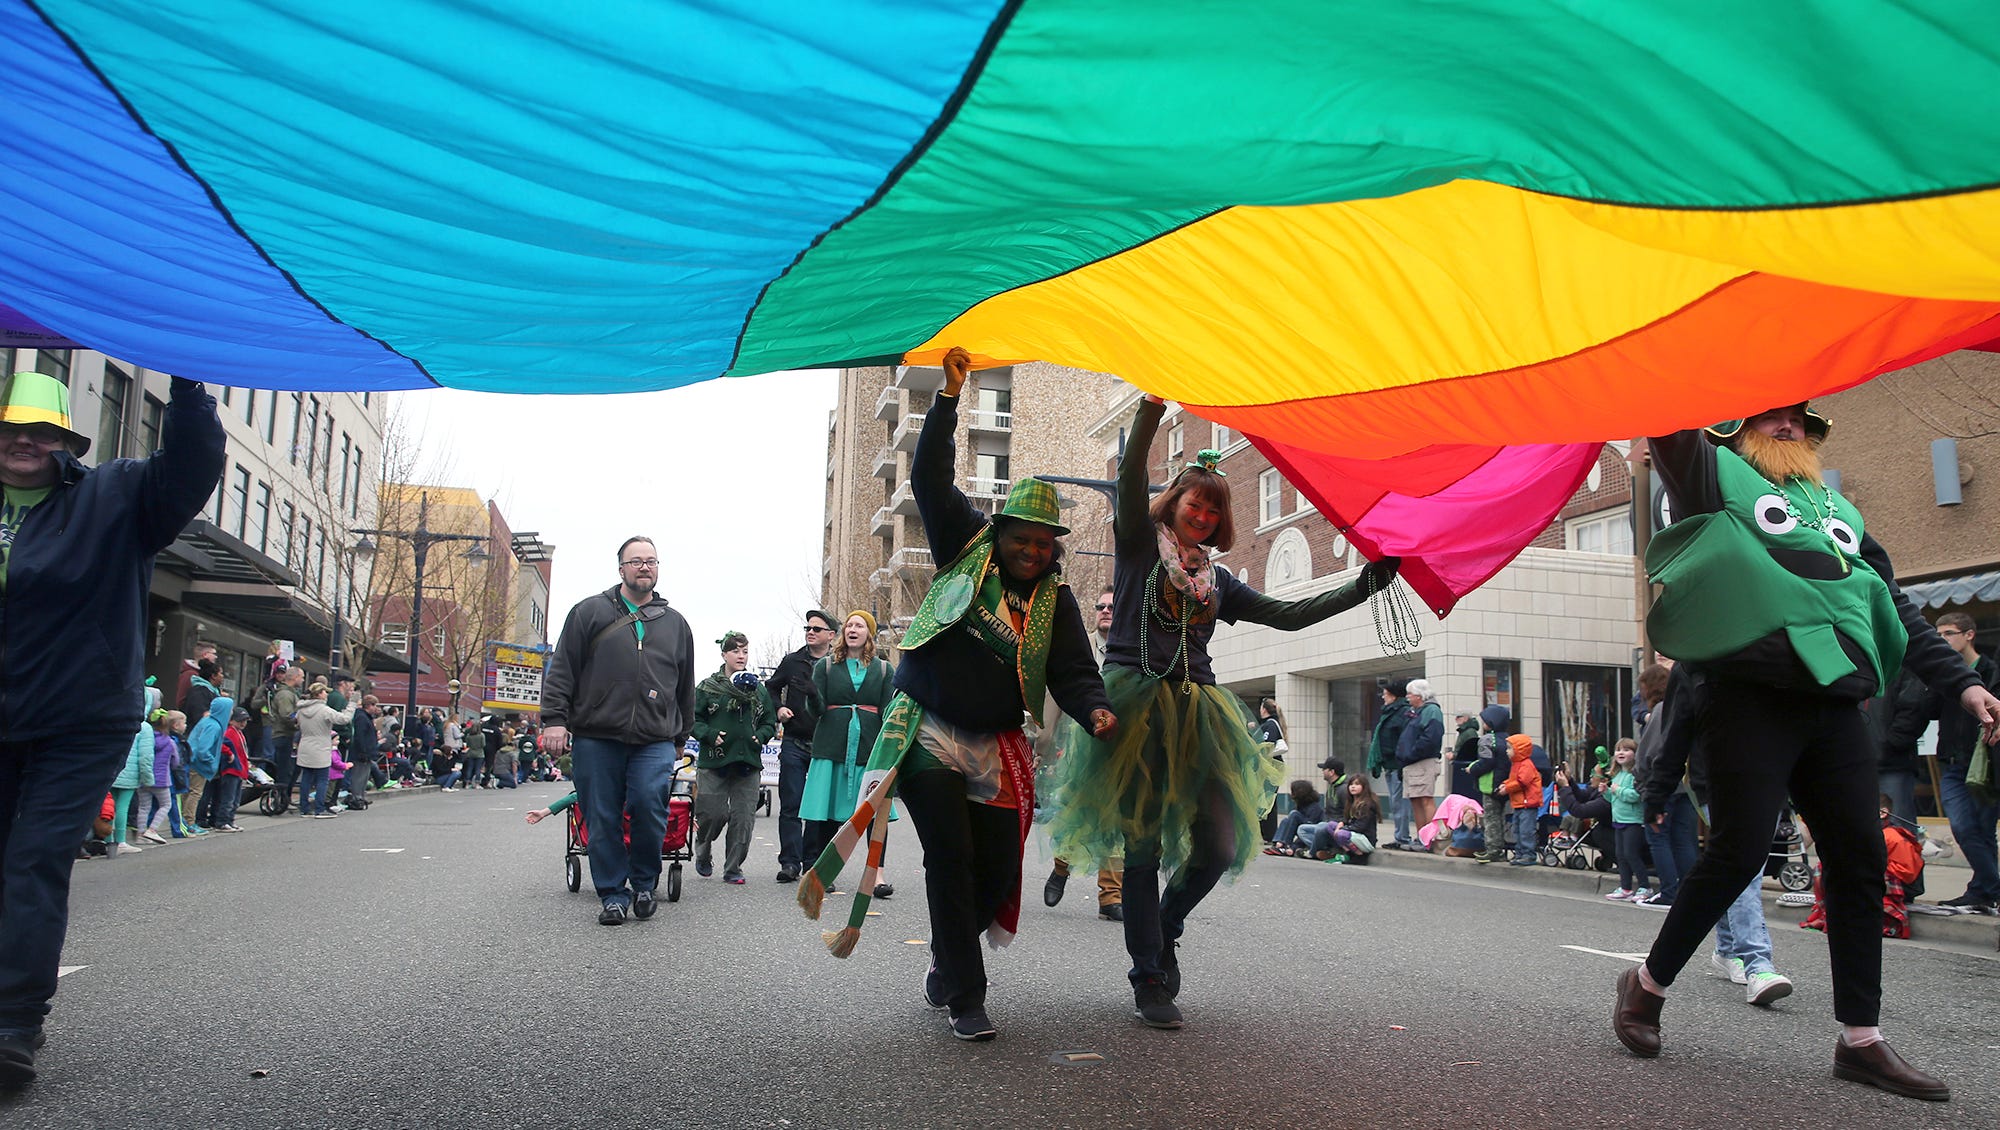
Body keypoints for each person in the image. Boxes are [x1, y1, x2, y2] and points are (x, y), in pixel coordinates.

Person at [1613, 403, 2000, 1102]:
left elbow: (1892, 605)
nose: (1788, 427)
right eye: (1770, 418)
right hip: (1746, 694)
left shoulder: (1837, 511)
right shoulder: (1712, 478)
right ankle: (1646, 986)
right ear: (1736, 428)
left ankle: (1860, 1040)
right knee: (1738, 852)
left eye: (1798, 419)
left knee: (1860, 858)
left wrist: (1965, 684)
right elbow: (1672, 424)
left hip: (1835, 701)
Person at [1051, 389, 1397, 1031]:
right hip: (1135, 709)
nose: (1204, 515)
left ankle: (1170, 920)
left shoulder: (1220, 581)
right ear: (1174, 504)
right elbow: (1128, 475)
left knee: (1220, 840)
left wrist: (1362, 586)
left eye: (1214, 508)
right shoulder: (1135, 545)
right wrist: (1153, 405)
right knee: (1144, 849)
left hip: (1202, 715)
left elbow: (1289, 616)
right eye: (1194, 503)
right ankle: (1148, 975)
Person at [798, 347, 1114, 1044]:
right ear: (1001, 533)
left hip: (999, 740)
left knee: (997, 868)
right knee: (949, 855)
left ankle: (946, 963)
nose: (1032, 551)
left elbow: (1073, 670)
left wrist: (1095, 710)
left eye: (1043, 543)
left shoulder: (1056, 601)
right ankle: (968, 997)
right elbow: (928, 476)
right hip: (929, 729)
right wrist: (947, 400)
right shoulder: (964, 543)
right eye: (1022, 539)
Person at [0, 366, 224, 1087]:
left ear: (66, 441)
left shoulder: (116, 495)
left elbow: (190, 467)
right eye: (10, 430)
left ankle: (12, 1023)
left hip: (78, 718)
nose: (24, 442)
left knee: (31, 861)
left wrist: (188, 388)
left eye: (40, 432)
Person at [540, 536, 697, 926]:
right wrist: (554, 719)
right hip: (597, 735)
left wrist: (680, 738)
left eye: (651, 561)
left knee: (648, 803)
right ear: (621, 569)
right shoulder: (588, 612)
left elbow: (684, 685)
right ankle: (612, 893)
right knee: (602, 815)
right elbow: (562, 668)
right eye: (636, 561)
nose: (645, 567)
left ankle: (644, 883)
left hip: (655, 738)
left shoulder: (676, 623)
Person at [1043, 586, 1125, 921]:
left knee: (1118, 817)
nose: (1105, 610)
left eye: (1112, 606)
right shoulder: (1081, 645)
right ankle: (1061, 867)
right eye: (1100, 606)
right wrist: (1043, 740)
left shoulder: (1133, 649)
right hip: (1079, 743)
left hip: (1122, 743)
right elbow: (1059, 689)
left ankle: (1111, 895)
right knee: (1077, 811)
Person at [799, 611, 897, 887]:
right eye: (849, 625)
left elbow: (887, 711)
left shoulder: (883, 669)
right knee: (828, 810)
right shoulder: (827, 666)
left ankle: (876, 875)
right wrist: (811, 695)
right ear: (843, 633)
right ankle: (824, 873)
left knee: (875, 813)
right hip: (831, 746)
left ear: (869, 633)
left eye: (860, 625)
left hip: (869, 749)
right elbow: (816, 710)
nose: (853, 629)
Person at [1916, 611, 1999, 914]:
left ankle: (1981, 891)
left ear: (1969, 635)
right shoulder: (1945, 676)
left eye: (1948, 633)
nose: (1942, 640)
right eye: (1937, 635)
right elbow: (1928, 710)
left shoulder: (1991, 671)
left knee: (1983, 829)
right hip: (1953, 762)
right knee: (1963, 827)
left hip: (1986, 764)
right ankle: (1993, 886)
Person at [691, 631, 776, 886]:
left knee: (743, 819)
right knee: (711, 815)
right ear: (724, 654)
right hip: (715, 762)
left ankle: (733, 867)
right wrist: (709, 734)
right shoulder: (708, 687)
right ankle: (703, 851)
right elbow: (693, 719)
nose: (741, 656)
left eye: (745, 651)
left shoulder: (757, 690)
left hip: (747, 763)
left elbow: (768, 721)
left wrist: (760, 736)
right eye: (736, 651)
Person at [768, 608, 838, 882]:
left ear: (831, 635)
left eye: (816, 629)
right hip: (794, 741)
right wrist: (779, 709)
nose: (810, 632)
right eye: (807, 628)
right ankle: (789, 863)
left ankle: (812, 863)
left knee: (817, 806)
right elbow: (771, 687)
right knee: (791, 804)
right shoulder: (792, 661)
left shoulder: (836, 664)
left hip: (825, 744)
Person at [294, 683, 356, 819]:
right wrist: (352, 705)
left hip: (305, 745)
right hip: (321, 746)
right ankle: (320, 809)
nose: (327, 694)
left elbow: (296, 723)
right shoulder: (325, 710)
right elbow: (344, 719)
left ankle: (304, 809)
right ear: (320, 694)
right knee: (323, 779)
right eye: (325, 692)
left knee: (306, 778)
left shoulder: (301, 709)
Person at [1366, 680, 1416, 849]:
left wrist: (1401, 763)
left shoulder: (1402, 713)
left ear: (1394, 696)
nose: (1383, 698)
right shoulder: (1391, 712)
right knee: (1397, 803)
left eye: (1385, 694)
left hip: (1397, 765)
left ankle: (1402, 837)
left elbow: (1404, 740)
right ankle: (1400, 836)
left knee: (1399, 803)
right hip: (1390, 764)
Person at [1394, 679, 1445, 844]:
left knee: (1425, 799)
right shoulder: (1416, 711)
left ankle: (1430, 838)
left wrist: (1411, 753)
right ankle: (1422, 837)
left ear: (1420, 695)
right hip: (1412, 762)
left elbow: (1431, 738)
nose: (1407, 697)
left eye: (1410, 694)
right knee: (1415, 799)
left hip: (1423, 761)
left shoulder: (1431, 711)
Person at [1604, 740, 1652, 902]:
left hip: (1634, 821)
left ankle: (1645, 886)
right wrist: (1606, 792)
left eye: (1626, 750)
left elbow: (1635, 796)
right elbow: (1613, 799)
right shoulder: (1617, 775)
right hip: (1619, 820)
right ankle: (1625, 887)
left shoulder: (1635, 775)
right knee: (1620, 855)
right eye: (1618, 750)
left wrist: (1618, 790)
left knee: (1632, 854)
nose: (1621, 753)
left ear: (1635, 754)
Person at [1465, 705, 1514, 863]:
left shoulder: (1487, 740)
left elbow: (1486, 762)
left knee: (1491, 818)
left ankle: (1493, 850)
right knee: (1501, 818)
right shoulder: (1508, 739)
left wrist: (1472, 769)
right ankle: (1501, 848)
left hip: (1489, 784)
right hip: (1505, 784)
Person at [1309, 776, 1382, 863]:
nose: (1353, 786)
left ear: (1364, 787)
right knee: (1330, 825)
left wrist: (1342, 829)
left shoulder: (1367, 805)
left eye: (1357, 784)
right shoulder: (1351, 802)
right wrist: (1341, 823)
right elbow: (1348, 819)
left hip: (1365, 840)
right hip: (1354, 836)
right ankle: (1347, 851)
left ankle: (1359, 855)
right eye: (1351, 784)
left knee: (1341, 834)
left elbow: (1360, 826)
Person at [1495, 734, 1542, 866]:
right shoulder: (1517, 764)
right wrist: (1505, 783)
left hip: (1528, 803)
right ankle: (1521, 853)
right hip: (1520, 803)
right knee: (1518, 829)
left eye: (1509, 748)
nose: (1506, 751)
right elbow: (1514, 780)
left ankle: (1528, 854)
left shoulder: (1526, 765)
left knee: (1526, 830)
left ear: (1519, 750)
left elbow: (1521, 782)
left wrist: (1507, 788)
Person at [268, 666, 304, 810]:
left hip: (287, 735)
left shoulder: (291, 694)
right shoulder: (285, 695)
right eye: (301, 677)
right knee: (284, 770)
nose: (302, 680)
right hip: (283, 735)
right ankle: (280, 800)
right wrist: (299, 723)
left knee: (291, 769)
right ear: (294, 677)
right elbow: (286, 715)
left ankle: (285, 798)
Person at [343, 696, 382, 809]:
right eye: (375, 705)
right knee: (359, 776)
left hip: (368, 751)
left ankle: (361, 795)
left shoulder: (367, 717)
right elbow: (360, 736)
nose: (376, 708)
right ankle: (357, 797)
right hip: (362, 752)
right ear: (369, 705)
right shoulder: (361, 717)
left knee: (364, 776)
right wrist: (363, 751)